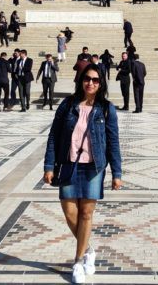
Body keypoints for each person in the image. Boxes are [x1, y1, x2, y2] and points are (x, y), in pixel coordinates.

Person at [42, 63, 123, 284]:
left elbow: (113, 142)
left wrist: (117, 172)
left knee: (86, 213)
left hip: (93, 167)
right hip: (69, 164)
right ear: (81, 80)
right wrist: (49, 166)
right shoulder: (67, 105)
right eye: (87, 79)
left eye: (96, 80)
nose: (91, 83)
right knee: (70, 214)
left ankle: (78, 261)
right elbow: (53, 136)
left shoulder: (106, 109)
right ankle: (88, 249)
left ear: (101, 83)